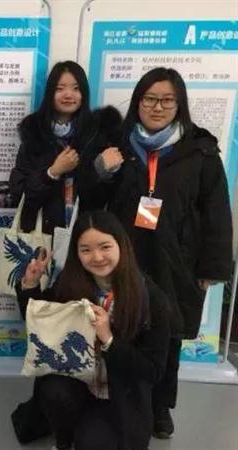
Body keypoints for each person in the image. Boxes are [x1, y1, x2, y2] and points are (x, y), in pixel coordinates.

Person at [83, 67, 233, 438]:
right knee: (122, 325)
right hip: (124, 258)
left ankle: (160, 407)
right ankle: (119, 400)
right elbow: (92, 203)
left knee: (168, 336)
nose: (157, 106)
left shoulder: (200, 151)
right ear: (138, 102)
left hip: (175, 261)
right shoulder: (119, 145)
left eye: (167, 100)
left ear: (179, 105)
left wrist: (211, 268)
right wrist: (100, 170)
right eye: (149, 98)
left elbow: (216, 212)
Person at [15, 210, 170, 450]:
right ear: (76, 253)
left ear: (122, 245)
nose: (96, 257)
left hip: (120, 393)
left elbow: (153, 371)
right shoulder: (71, 282)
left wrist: (109, 339)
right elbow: (41, 322)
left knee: (94, 444)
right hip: (77, 382)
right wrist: (30, 284)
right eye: (85, 250)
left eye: (105, 247)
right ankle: (64, 441)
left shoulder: (150, 298)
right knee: (55, 392)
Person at [9, 60, 121, 235]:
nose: (68, 95)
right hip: (42, 235)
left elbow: (104, 199)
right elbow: (19, 193)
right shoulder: (34, 133)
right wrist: (52, 173)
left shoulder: (97, 133)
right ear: (50, 93)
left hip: (84, 234)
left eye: (76, 88)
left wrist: (100, 171)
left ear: (84, 93)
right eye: (60, 89)